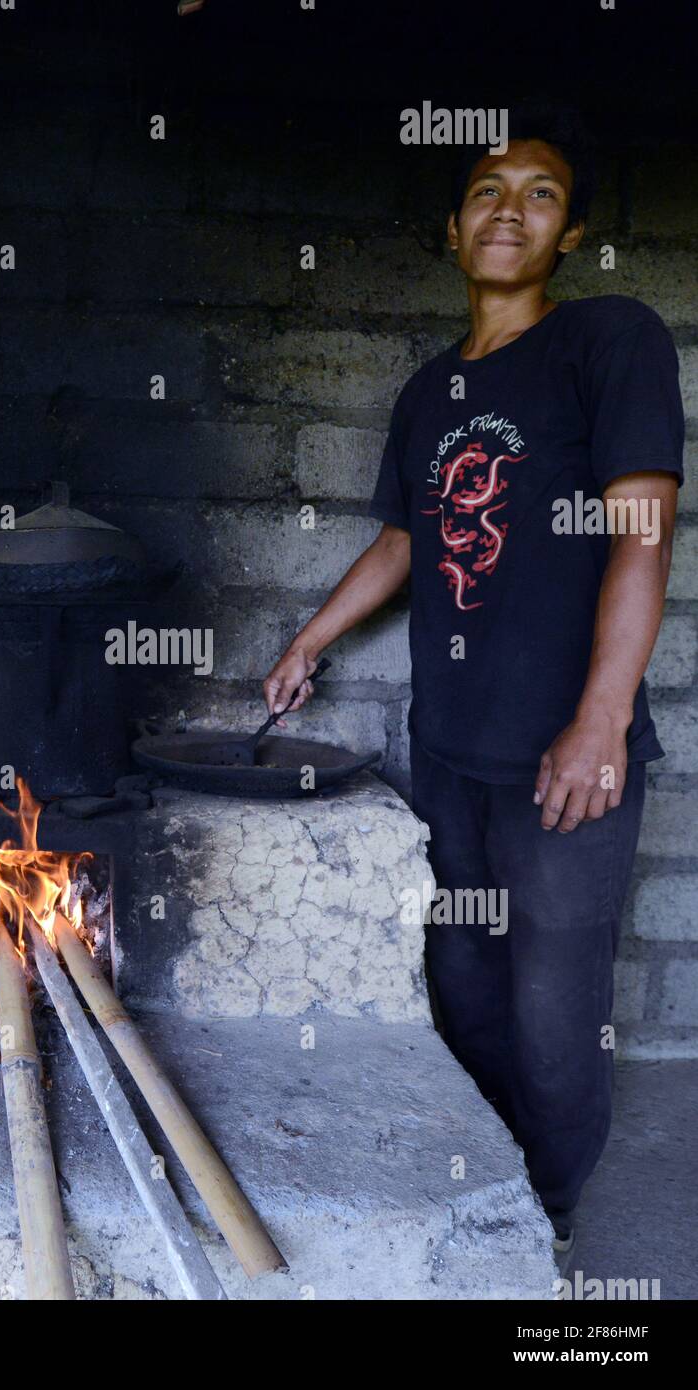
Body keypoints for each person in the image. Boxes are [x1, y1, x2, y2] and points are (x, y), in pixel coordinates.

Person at [263, 102, 684, 1272]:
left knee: (556, 1015)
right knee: (461, 978)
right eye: (486, 192)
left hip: (564, 752)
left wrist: (599, 719)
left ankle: (543, 1219)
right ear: (453, 231)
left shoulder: (609, 339)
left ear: (571, 231)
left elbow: (641, 533)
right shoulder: (426, 394)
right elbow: (403, 543)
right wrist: (309, 640)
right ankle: (485, 1178)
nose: (508, 208)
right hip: (448, 749)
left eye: (538, 192)